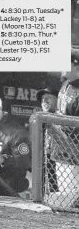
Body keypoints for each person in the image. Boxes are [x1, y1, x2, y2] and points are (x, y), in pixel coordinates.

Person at [49, 51, 79, 203]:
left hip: (74, 156)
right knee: (64, 198)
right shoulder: (65, 83)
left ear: (76, 66)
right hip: (60, 152)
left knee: (71, 201)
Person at [36, 87, 59, 193]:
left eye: (48, 97)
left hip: (63, 170)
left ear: (58, 100)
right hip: (47, 173)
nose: (44, 101)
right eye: (42, 99)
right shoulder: (40, 123)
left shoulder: (65, 120)